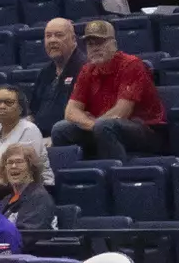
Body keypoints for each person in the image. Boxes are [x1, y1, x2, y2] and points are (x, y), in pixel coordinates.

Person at [50, 20, 167, 160]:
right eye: (90, 44)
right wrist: (93, 125)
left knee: (104, 126)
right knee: (60, 129)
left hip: (146, 130)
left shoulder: (131, 65)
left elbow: (121, 112)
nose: (95, 48)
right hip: (104, 127)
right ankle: (79, 173)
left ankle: (117, 171)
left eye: (100, 42)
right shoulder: (87, 70)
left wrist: (93, 123)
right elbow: (70, 112)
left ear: (114, 44)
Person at [0, 86, 50, 185]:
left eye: (9, 102)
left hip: (33, 187)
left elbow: (24, 169)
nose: (2, 106)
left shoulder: (29, 129)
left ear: (20, 108)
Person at [30, 18, 86, 130]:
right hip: (40, 136)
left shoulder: (85, 69)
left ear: (73, 39)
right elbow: (33, 112)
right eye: (48, 36)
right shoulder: (45, 72)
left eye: (59, 35)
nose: (52, 40)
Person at [0, 144, 55, 231]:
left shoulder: (39, 197)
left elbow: (28, 235)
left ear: (31, 168)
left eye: (19, 162)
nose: (13, 166)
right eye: (10, 162)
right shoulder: (7, 199)